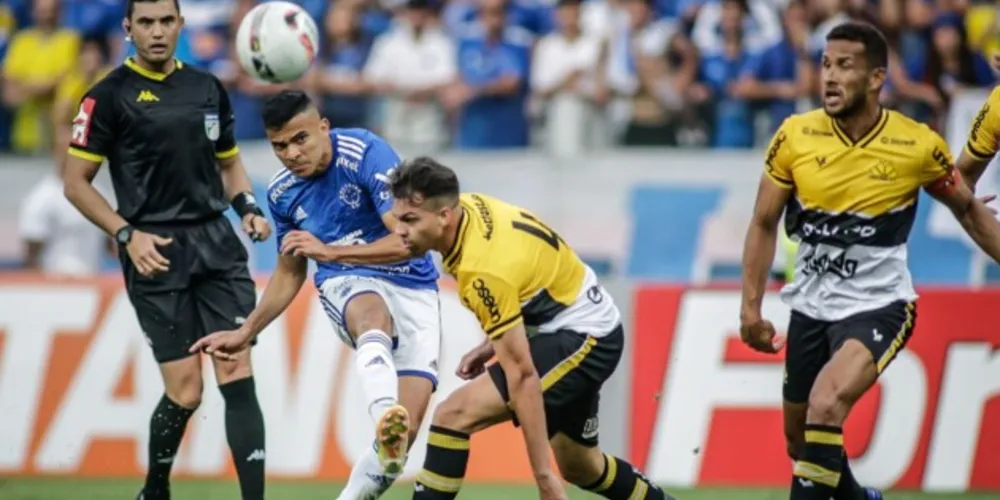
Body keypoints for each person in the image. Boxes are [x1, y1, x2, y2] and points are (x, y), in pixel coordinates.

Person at [739, 22, 1000, 500]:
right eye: (825, 65)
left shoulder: (916, 144)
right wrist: (750, 309)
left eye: (844, 66)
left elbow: (966, 207)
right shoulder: (795, 136)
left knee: (825, 404)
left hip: (879, 305)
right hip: (811, 306)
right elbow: (762, 222)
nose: (829, 77)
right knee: (800, 441)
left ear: (877, 77)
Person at [61, 1, 272, 499]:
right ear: (128, 28)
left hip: (216, 244)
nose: (157, 32)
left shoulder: (207, 88)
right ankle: (155, 490)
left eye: (166, 21)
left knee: (236, 368)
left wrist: (246, 207)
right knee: (187, 390)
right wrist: (126, 234)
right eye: (146, 22)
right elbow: (76, 183)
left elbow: (229, 164)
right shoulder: (107, 96)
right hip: (153, 248)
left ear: (180, 25)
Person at [190, 90, 442, 500]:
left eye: (300, 139)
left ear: (324, 127)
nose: (291, 153)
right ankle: (385, 413)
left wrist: (330, 251)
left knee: (398, 449)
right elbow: (290, 272)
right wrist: (246, 331)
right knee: (372, 317)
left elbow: (408, 241)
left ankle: (374, 458)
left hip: (414, 285)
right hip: (347, 280)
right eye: (279, 146)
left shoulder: (365, 153)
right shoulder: (282, 193)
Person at [387, 158, 674, 500]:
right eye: (397, 218)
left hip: (585, 338)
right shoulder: (472, 208)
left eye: (410, 220)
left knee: (453, 415)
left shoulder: (482, 269)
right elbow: (526, 275)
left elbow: (523, 377)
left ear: (445, 216)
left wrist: (543, 476)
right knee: (582, 466)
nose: (398, 230)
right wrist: (493, 343)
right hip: (582, 316)